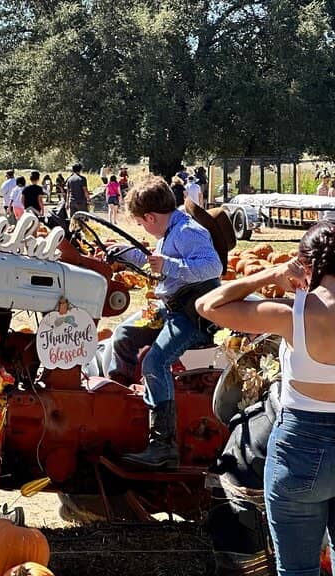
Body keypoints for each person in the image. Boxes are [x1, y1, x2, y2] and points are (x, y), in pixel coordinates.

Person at [195, 221, 335, 576]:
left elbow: (207, 304)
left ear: (306, 265)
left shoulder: (292, 314)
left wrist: (270, 274)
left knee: (297, 570)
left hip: (300, 449)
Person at [105, 178, 226, 469]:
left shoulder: (188, 231)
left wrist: (169, 266)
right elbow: (155, 260)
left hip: (192, 315)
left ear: (150, 217)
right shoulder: (169, 229)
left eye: (140, 222)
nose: (142, 227)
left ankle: (163, 445)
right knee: (122, 335)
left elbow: (213, 267)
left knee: (155, 363)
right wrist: (124, 252)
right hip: (168, 307)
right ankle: (120, 406)